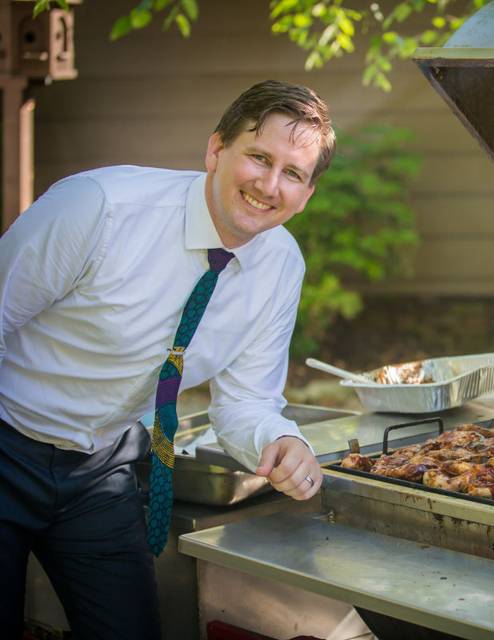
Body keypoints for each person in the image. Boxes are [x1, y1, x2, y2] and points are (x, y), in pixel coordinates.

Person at [0, 80, 336, 639]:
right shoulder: (99, 207)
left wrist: (281, 441)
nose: (269, 185)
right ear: (215, 150)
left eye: (293, 174)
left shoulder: (281, 266)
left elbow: (248, 400)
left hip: (100, 469)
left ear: (307, 195)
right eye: (258, 157)